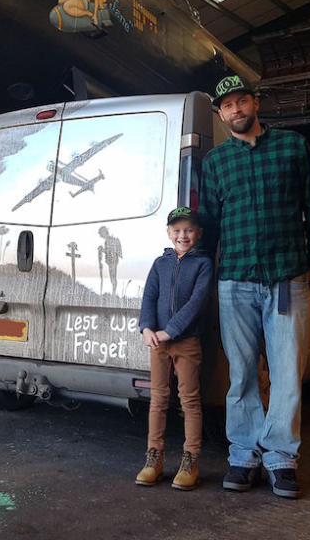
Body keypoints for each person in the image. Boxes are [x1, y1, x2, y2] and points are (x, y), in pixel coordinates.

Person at [198, 74, 310, 499]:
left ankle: (281, 458)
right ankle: (243, 456)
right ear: (220, 113)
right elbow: (210, 226)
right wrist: (205, 276)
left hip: (286, 280)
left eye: (241, 101)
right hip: (234, 281)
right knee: (241, 373)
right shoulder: (216, 162)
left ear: (255, 103)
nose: (235, 110)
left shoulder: (293, 146)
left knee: (287, 370)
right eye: (227, 105)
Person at [135, 207, 213, 491]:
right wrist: (147, 327)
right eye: (177, 230)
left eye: (189, 230)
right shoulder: (160, 263)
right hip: (157, 343)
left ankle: (190, 460)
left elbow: (197, 302)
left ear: (198, 233)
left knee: (189, 401)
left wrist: (171, 330)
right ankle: (153, 460)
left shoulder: (203, 264)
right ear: (169, 233)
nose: (183, 235)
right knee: (158, 400)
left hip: (186, 342)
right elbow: (149, 297)